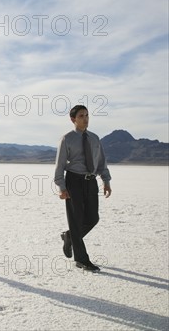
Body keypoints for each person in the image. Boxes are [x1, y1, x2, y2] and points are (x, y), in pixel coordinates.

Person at [54, 104, 111, 272]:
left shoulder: (94, 138)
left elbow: (101, 161)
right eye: (81, 116)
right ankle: (82, 259)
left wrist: (106, 181)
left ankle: (70, 236)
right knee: (76, 220)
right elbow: (60, 164)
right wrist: (61, 187)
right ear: (73, 119)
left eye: (87, 115)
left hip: (91, 181)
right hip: (74, 181)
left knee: (93, 218)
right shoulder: (67, 138)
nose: (85, 119)